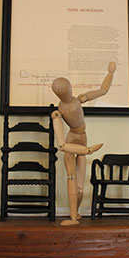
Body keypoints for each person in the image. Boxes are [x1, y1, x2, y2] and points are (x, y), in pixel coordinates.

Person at [51, 62, 115, 225]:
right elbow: (62, 145)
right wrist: (86, 150)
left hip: (82, 139)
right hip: (73, 141)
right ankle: (72, 217)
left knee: (80, 184)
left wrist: (110, 73)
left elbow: (103, 91)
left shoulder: (79, 99)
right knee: (71, 176)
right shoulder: (59, 111)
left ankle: (76, 213)